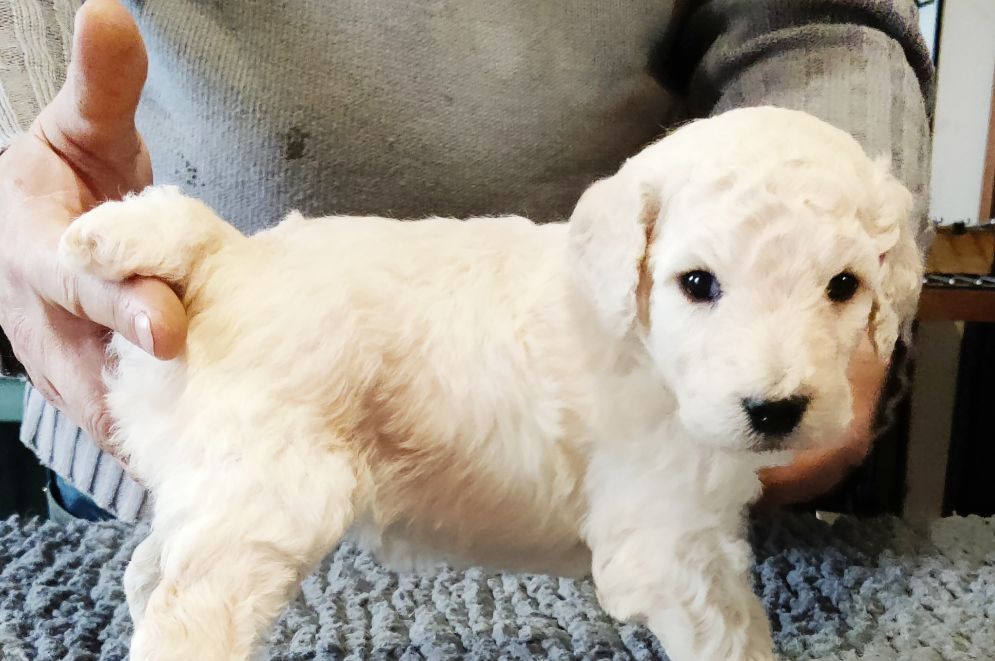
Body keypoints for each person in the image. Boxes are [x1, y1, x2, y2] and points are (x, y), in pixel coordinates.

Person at [0, 0, 933, 522]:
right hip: (183, 406)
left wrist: (815, 255)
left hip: (621, 452)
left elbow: (816, 21)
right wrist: (18, 164)